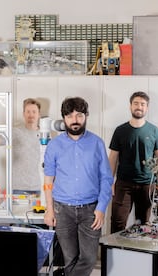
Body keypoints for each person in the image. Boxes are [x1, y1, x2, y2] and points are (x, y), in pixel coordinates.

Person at [43, 97, 113, 276]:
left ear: (86, 116)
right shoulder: (54, 145)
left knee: (88, 258)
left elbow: (106, 178)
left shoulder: (97, 143)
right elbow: (48, 180)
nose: (75, 120)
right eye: (70, 116)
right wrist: (49, 210)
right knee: (70, 259)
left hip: (90, 210)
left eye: (79, 115)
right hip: (62, 210)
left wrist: (101, 208)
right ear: (64, 118)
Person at [109, 91, 158, 233]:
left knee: (143, 225)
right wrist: (110, 182)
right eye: (136, 103)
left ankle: (140, 254)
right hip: (123, 184)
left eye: (142, 104)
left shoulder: (154, 131)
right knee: (117, 222)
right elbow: (113, 158)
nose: (139, 107)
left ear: (147, 108)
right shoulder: (120, 130)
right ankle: (114, 254)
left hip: (147, 185)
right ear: (130, 106)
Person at [12, 98, 42, 195]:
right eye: (28, 111)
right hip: (18, 187)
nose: (31, 114)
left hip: (40, 186)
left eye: (34, 111)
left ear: (39, 114)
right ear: (23, 114)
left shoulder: (46, 134)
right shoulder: (15, 132)